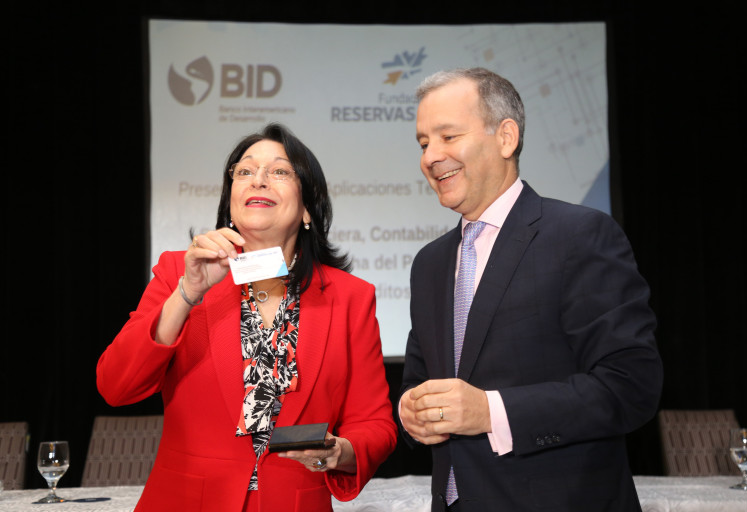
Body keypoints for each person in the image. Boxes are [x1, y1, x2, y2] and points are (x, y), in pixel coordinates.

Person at [398, 68, 663, 511]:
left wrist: (491, 412)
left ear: (506, 137)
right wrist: (411, 409)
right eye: (424, 143)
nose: (431, 156)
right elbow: (418, 381)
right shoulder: (429, 264)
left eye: (448, 136)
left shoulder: (580, 235)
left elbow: (630, 386)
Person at [97, 123, 397, 512]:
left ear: (308, 207)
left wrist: (340, 452)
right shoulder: (178, 274)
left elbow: (375, 424)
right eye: (245, 171)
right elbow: (115, 385)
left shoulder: (350, 297)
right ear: (231, 202)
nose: (258, 179)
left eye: (279, 171)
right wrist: (187, 294)